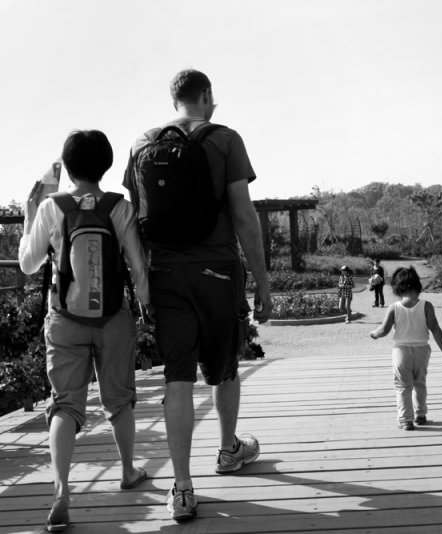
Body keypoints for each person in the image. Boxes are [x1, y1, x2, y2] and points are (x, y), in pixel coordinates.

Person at [123, 69, 272, 522]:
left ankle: (183, 487)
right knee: (225, 367)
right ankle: (228, 450)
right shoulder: (225, 139)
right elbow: (244, 216)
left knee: (178, 378)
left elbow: (135, 219)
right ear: (205, 96)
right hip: (218, 272)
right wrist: (262, 281)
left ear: (175, 101)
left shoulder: (142, 144)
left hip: (166, 275)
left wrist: (144, 283)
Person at [19, 130, 150, 532]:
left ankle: (61, 491)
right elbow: (138, 267)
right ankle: (129, 471)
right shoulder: (118, 207)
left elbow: (27, 264)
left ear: (68, 166)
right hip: (113, 319)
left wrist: (28, 218)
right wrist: (145, 306)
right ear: (105, 164)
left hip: (64, 320)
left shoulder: (52, 207)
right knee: (119, 401)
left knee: (66, 405)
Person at [369, 267, 442, 430]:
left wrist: (374, 334)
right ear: (418, 286)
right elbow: (435, 329)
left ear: (397, 288)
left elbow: (384, 330)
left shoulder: (394, 307)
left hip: (401, 352)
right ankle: (420, 414)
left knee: (403, 386)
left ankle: (405, 419)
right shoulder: (426, 306)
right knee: (420, 383)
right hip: (422, 351)